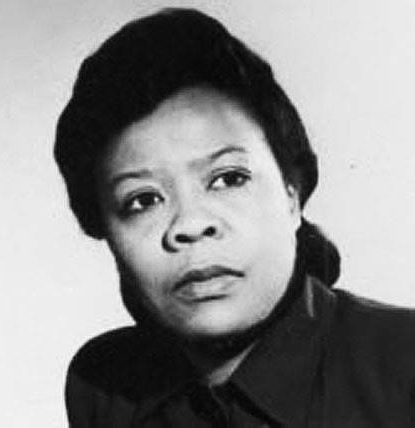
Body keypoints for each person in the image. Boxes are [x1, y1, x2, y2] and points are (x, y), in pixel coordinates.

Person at [54, 8, 415, 427]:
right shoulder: (105, 387)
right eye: (143, 200)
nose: (190, 225)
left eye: (228, 178)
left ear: (292, 193)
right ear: (105, 230)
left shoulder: (404, 366)